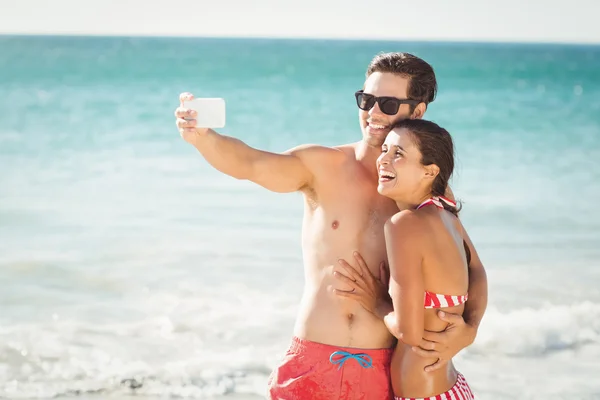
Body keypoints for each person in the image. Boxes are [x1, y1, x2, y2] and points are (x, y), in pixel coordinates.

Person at [174, 52, 488, 400]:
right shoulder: (323, 165)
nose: (374, 113)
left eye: (388, 103)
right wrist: (205, 138)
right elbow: (252, 163)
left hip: (385, 369)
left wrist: (470, 328)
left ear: (417, 112)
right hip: (313, 361)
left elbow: (471, 267)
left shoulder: (426, 191)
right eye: (367, 100)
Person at [334, 118, 481, 399]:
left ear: (430, 171)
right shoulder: (446, 215)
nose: (383, 160)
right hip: (451, 387)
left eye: (398, 154)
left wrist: (377, 302)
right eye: (385, 149)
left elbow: (409, 332)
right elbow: (479, 273)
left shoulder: (404, 225)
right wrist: (470, 327)